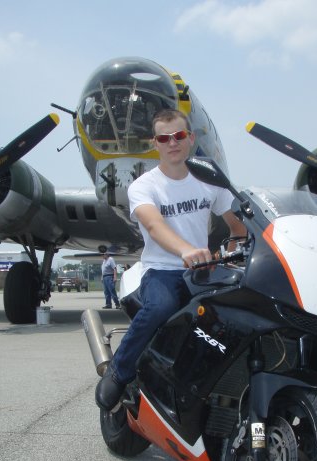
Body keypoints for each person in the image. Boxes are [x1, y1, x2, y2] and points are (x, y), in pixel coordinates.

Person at [96, 108, 246, 410]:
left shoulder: (210, 180)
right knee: (159, 307)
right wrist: (185, 250)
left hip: (203, 271)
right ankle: (119, 371)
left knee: (236, 317)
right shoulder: (144, 186)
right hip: (162, 271)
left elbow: (238, 226)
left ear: (190, 138)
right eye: (164, 138)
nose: (172, 143)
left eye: (178, 135)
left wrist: (233, 250)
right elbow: (154, 225)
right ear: (155, 144)